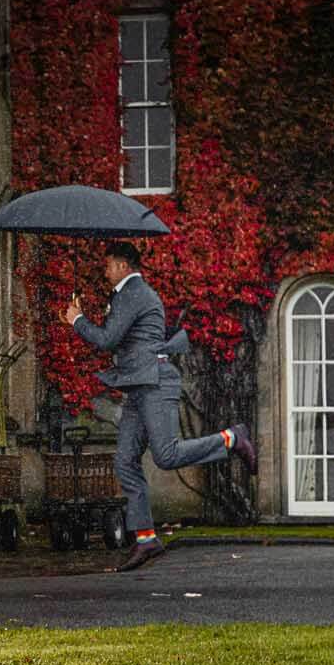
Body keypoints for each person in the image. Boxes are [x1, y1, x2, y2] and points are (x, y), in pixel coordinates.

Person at [64, 241, 256, 572]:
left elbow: (107, 339)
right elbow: (120, 337)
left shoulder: (135, 292)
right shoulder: (126, 296)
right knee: (125, 460)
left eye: (108, 265)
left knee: (166, 455)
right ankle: (146, 539)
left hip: (155, 383)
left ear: (124, 266)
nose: (104, 270)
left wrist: (78, 320)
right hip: (138, 386)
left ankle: (232, 439)